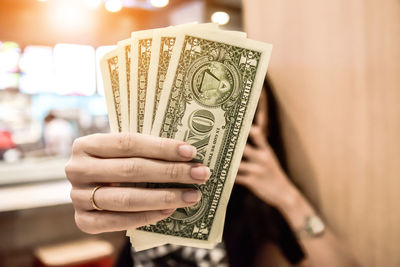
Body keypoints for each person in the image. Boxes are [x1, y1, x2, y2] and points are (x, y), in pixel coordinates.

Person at [65, 80, 359, 266]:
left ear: (265, 125)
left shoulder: (260, 204)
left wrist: (288, 197)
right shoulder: (158, 179)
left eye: (244, 114)